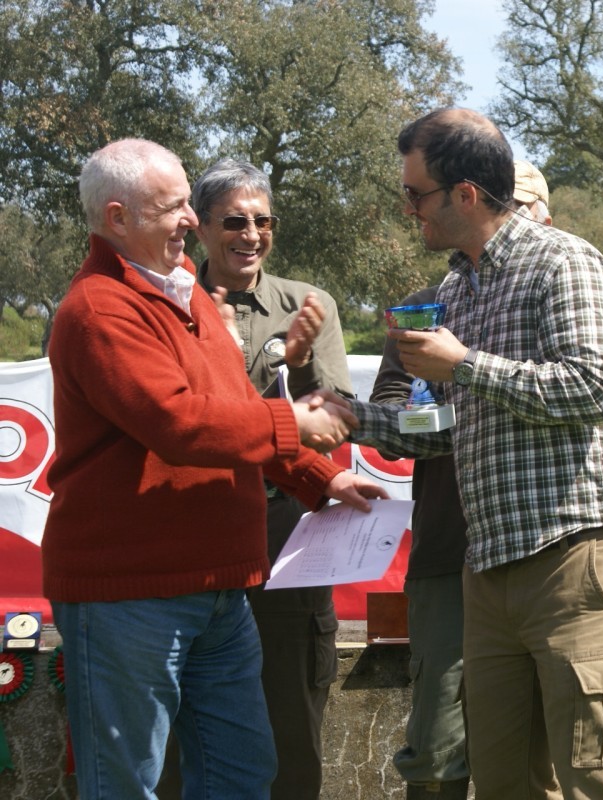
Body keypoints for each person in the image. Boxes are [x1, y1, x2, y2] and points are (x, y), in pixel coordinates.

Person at [43, 138, 386, 800]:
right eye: (173, 207)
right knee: (128, 784)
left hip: (219, 587)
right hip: (131, 596)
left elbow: (234, 411)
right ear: (117, 218)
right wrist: (295, 426)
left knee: (242, 774)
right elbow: (179, 424)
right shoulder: (99, 309)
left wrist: (321, 478)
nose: (189, 221)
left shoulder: (188, 295)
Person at [327, 108, 603, 799]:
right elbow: (450, 430)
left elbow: (597, 388)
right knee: (506, 782)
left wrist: (466, 365)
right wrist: (349, 418)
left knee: (596, 775)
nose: (408, 208)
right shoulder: (456, 288)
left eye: (415, 193)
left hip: (577, 552)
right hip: (489, 564)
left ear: (466, 194)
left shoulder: (565, 262)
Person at [369, 159, 553, 799]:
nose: (510, 221)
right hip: (450, 547)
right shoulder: (425, 308)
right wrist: (439, 403)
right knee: (438, 747)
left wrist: (476, 378)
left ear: (544, 217)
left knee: (541, 747)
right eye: (504, 206)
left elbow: (593, 397)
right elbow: (391, 417)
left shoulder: (564, 293)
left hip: (541, 548)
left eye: (523, 209)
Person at [169, 158, 350, 800]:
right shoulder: (168, 303)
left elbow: (333, 422)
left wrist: (293, 366)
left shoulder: (308, 304)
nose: (251, 235)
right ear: (200, 228)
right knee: (181, 722)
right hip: (192, 529)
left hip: (284, 529)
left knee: (290, 712)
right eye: (234, 222)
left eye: (262, 221)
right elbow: (185, 420)